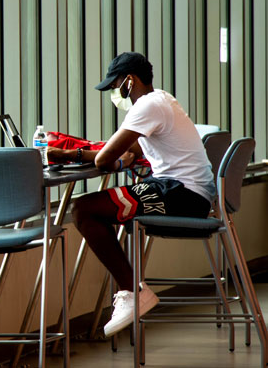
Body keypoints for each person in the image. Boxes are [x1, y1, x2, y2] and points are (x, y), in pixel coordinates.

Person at [61, 52, 216, 337]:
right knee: (95, 208)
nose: (113, 92)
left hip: (182, 194)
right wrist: (120, 157)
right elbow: (130, 151)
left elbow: (104, 160)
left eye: (114, 85)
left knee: (84, 210)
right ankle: (132, 289)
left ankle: (131, 290)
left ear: (129, 81)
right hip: (186, 191)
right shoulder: (162, 99)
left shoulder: (147, 106)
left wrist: (67, 154)